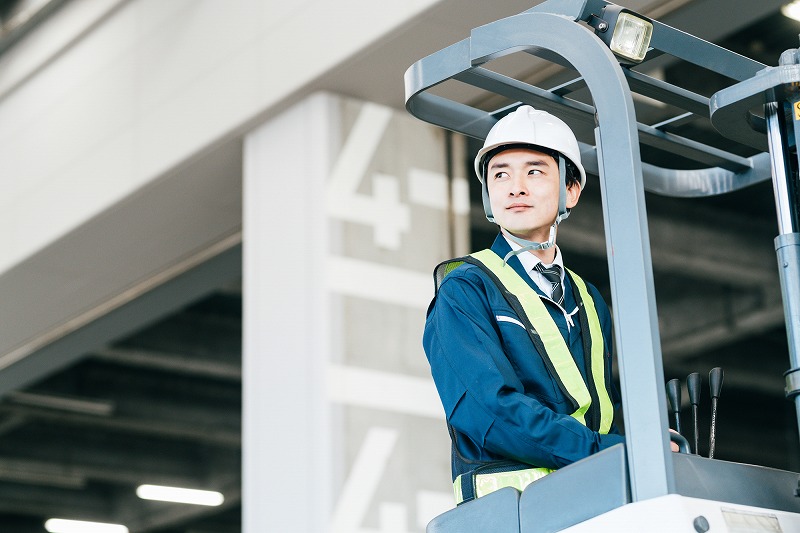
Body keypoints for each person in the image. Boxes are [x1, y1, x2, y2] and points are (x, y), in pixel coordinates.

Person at [422, 105, 625, 505]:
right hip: (512, 513)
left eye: (534, 172)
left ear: (571, 190)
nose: (515, 187)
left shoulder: (589, 298)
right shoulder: (466, 289)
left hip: (593, 501)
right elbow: (489, 412)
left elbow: (603, 408)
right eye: (500, 174)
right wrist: (605, 450)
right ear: (488, 194)